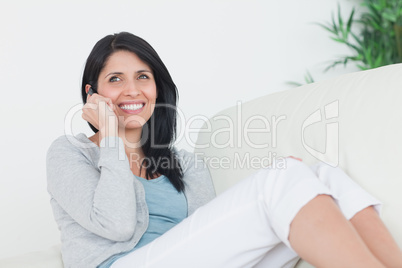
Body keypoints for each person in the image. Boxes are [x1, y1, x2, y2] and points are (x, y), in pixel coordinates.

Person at [46, 32, 402, 268]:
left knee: (325, 176)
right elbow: (118, 225)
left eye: (143, 77)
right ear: (92, 93)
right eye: (115, 79)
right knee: (285, 178)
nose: (132, 90)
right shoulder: (68, 153)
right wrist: (110, 137)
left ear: (157, 89)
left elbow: (205, 239)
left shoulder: (184, 163)